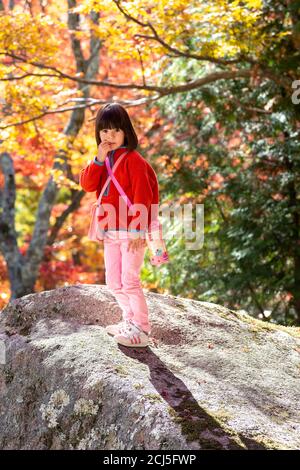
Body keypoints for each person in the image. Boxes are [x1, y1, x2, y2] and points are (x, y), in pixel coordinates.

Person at [79, 103, 159, 347]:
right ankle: (129, 320)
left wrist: (138, 229)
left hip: (132, 232)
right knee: (113, 282)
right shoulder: (104, 160)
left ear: (126, 132)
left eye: (115, 131)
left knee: (130, 281)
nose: (109, 136)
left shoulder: (134, 160)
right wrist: (98, 160)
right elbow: (87, 184)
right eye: (104, 131)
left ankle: (141, 329)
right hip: (110, 230)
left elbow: (143, 195)